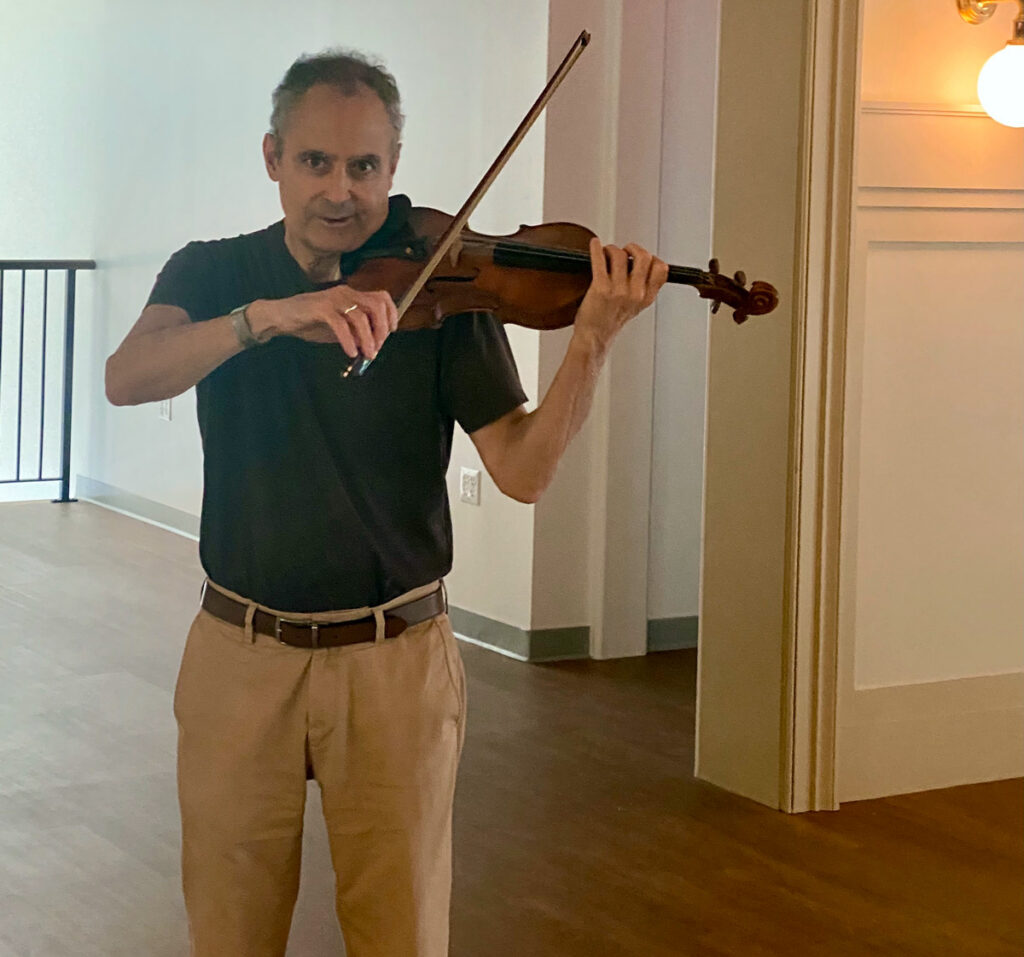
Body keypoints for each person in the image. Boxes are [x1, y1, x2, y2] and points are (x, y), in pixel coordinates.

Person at [104, 47, 668, 957]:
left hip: (394, 659)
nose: (341, 190)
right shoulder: (213, 273)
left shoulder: (441, 291)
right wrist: (270, 317)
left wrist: (591, 341)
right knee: (229, 928)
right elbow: (127, 377)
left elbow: (523, 471)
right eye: (316, 162)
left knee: (401, 931)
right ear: (272, 158)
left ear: (394, 169)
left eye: (365, 166)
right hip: (240, 656)